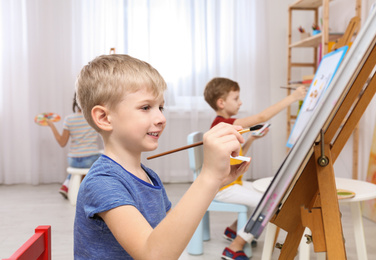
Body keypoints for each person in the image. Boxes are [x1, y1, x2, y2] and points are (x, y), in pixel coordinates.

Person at [73, 54, 251, 259]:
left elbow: (170, 238)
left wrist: (215, 181)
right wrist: (208, 176)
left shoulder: (148, 176)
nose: (161, 118)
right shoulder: (102, 182)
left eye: (161, 107)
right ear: (104, 118)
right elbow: (154, 255)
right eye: (146, 107)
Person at [204, 77, 307, 260]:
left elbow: (234, 156)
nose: (240, 102)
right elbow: (261, 118)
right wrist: (293, 98)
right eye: (236, 98)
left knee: (270, 193)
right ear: (221, 102)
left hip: (231, 184)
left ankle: (233, 230)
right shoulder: (224, 124)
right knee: (271, 204)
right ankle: (235, 247)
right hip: (224, 188)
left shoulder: (223, 125)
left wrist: (251, 139)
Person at [45, 93, 100, 199]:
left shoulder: (69, 119)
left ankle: (67, 185)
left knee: (79, 169)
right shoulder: (93, 118)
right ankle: (85, 191)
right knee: (100, 157)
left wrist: (52, 126)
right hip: (90, 158)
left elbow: (62, 142)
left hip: (73, 160)